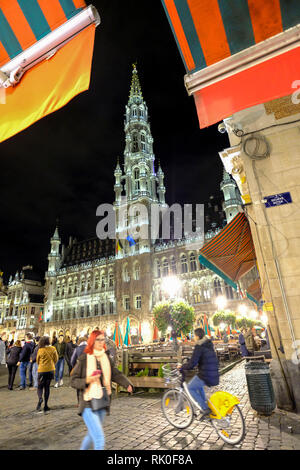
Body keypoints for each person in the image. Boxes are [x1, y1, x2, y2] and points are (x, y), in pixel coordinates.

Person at [71, 330, 133, 450]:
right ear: (92, 341)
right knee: (99, 438)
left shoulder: (106, 357)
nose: (101, 342)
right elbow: (73, 381)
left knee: (91, 436)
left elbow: (115, 373)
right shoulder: (84, 358)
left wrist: (127, 384)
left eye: (102, 339)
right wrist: (87, 380)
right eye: (98, 339)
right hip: (88, 402)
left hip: (103, 400)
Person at [180, 327, 219, 417]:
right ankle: (204, 406)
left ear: (197, 336)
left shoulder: (199, 346)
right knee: (198, 384)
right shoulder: (208, 343)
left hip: (206, 374)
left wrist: (182, 366)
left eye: (194, 335)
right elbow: (200, 358)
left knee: (190, 388)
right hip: (213, 372)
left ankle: (205, 408)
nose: (194, 337)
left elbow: (192, 364)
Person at [36, 336, 58, 413]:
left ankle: (40, 398)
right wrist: (52, 364)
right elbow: (56, 359)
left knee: (40, 386)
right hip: (50, 370)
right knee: (47, 387)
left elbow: (37, 360)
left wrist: (41, 365)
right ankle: (46, 405)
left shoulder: (40, 350)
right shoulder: (53, 349)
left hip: (42, 370)